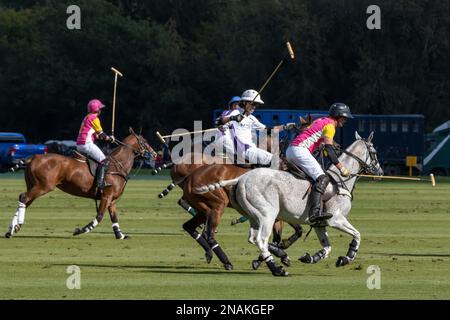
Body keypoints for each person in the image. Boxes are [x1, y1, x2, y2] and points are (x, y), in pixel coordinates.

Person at [286, 102, 353, 224]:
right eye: (344, 118)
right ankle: (315, 212)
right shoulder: (330, 126)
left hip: (291, 150)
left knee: (311, 178)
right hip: (300, 151)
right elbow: (328, 149)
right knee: (322, 178)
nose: (345, 121)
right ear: (338, 116)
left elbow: (326, 149)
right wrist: (341, 167)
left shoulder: (321, 121)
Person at [227, 89, 295, 166]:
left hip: (250, 149)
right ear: (244, 102)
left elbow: (267, 130)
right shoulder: (234, 113)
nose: (254, 107)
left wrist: (285, 126)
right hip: (244, 151)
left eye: (256, 105)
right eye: (253, 104)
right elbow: (222, 122)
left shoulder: (251, 118)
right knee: (278, 162)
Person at [76, 99, 115, 189]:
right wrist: (110, 138)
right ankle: (100, 183)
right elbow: (102, 134)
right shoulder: (94, 118)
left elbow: (97, 136)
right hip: (87, 144)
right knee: (104, 161)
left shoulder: (87, 117)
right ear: (97, 110)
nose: (101, 110)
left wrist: (107, 138)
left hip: (79, 144)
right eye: (100, 108)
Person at [203, 96, 242, 162]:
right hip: (223, 140)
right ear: (231, 106)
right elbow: (217, 121)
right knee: (206, 150)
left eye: (238, 105)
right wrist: (219, 126)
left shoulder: (242, 116)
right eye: (234, 105)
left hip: (234, 141)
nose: (236, 107)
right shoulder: (225, 113)